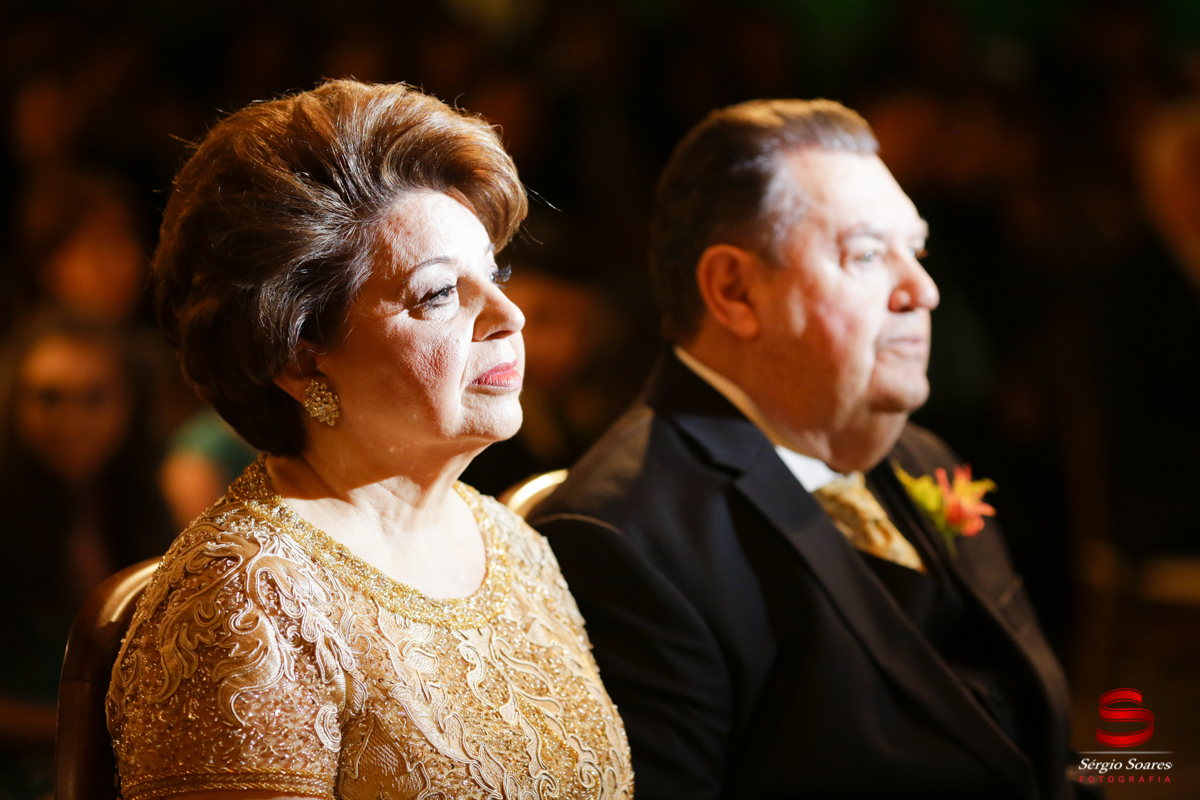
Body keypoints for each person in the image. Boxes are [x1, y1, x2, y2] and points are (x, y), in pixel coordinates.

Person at [530, 99, 1081, 799]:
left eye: (918, 251)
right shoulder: (625, 537)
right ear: (735, 291)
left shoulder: (920, 456)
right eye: (868, 255)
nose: (923, 290)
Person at [105, 80, 633, 800]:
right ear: (298, 354)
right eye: (440, 294)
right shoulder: (247, 600)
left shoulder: (513, 543)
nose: (508, 313)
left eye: (495, 273)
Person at [0, 310, 173, 798]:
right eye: (48, 398)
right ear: (15, 403)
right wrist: (89, 736)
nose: (70, 421)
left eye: (94, 399)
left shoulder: (142, 508)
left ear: (130, 406)